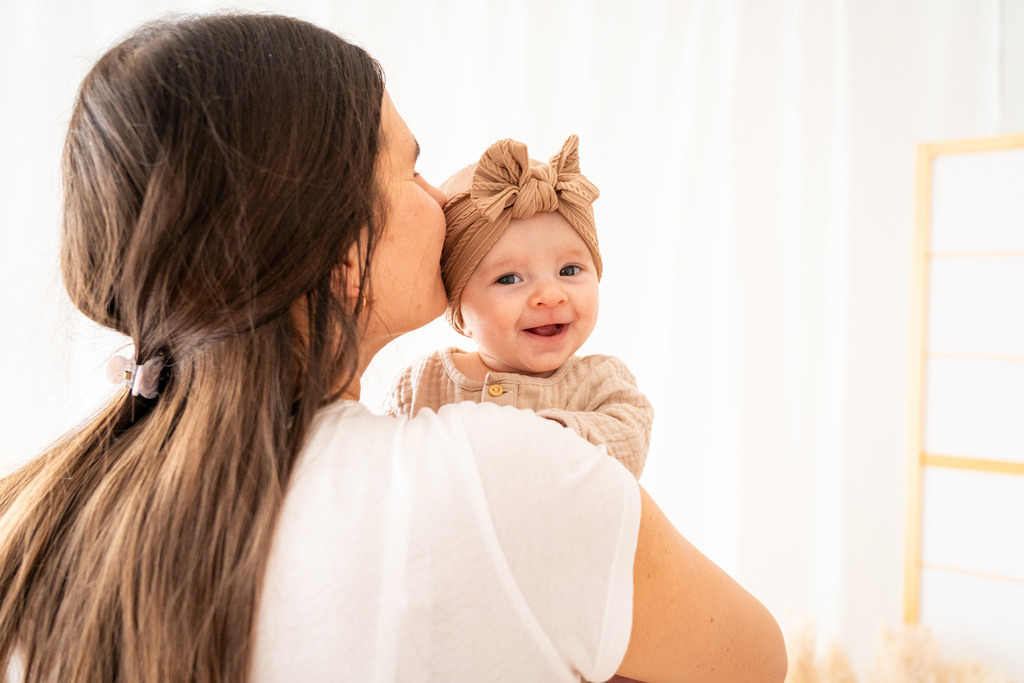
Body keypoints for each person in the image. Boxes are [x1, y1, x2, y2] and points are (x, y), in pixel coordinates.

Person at [0, 13, 787, 683]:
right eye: (409, 168)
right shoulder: (499, 473)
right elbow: (757, 660)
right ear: (345, 254)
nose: (440, 195)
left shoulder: (35, 521)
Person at [380, 135, 653, 478]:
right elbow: (384, 471)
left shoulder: (600, 382)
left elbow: (628, 442)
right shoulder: (423, 384)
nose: (550, 295)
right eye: (509, 279)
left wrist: (547, 436)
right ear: (459, 312)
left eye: (569, 270)